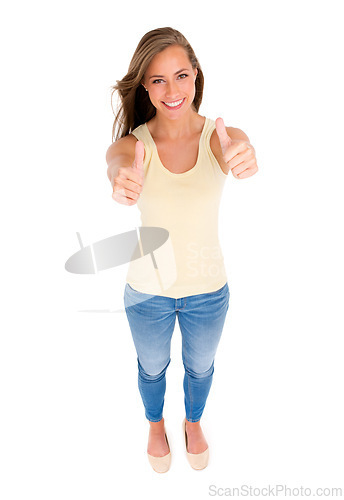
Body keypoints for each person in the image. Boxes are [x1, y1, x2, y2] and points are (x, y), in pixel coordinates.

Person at [106, 27, 258, 473]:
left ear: (196, 76)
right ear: (144, 87)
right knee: (151, 369)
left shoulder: (220, 138)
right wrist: (120, 177)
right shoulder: (134, 146)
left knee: (201, 368)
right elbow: (116, 160)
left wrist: (244, 154)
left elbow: (238, 148)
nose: (172, 91)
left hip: (209, 291)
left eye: (181, 75)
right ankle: (156, 425)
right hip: (147, 293)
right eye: (157, 80)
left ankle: (193, 422)